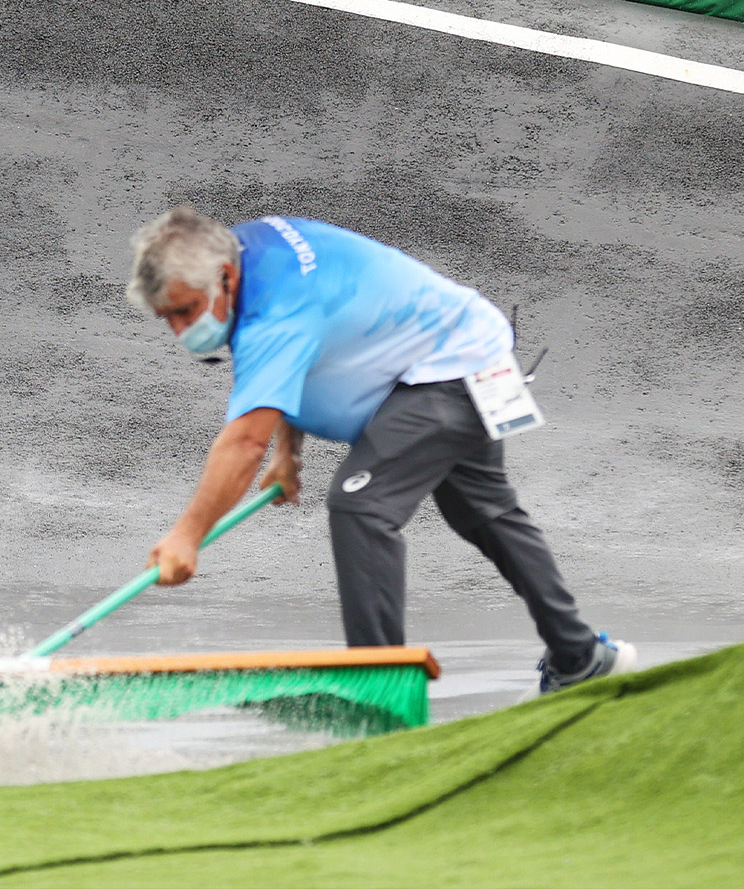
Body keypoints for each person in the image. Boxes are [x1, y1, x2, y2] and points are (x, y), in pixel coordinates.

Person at [125, 206, 634, 694]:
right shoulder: (242, 251)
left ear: (225, 279)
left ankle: (380, 691)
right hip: (464, 343)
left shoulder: (277, 308)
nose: (180, 330)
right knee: (484, 511)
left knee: (360, 506)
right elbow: (293, 362)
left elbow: (243, 440)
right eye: (166, 316)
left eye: (186, 311)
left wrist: (187, 536)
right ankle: (581, 656)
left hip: (448, 370)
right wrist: (289, 453)